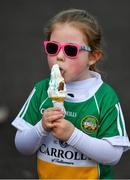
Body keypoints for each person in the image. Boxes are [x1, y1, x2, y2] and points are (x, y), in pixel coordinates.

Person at [12, 9, 130, 179]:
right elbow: (22, 146)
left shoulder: (104, 97)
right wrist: (41, 128)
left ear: (93, 57)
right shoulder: (41, 90)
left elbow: (113, 156)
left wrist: (72, 135)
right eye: (53, 48)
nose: (59, 56)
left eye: (70, 50)